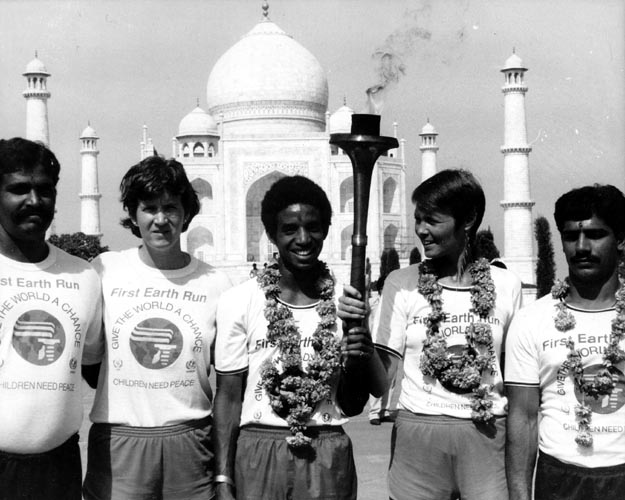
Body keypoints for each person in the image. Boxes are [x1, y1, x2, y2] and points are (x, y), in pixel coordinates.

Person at [339, 169, 522, 500]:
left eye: (432, 221)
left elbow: (513, 376)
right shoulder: (401, 282)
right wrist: (361, 335)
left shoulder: (505, 285)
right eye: (418, 219)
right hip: (419, 435)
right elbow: (382, 384)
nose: (421, 230)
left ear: (467, 220)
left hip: (485, 432)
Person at [213, 175, 381, 500]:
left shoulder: (344, 301)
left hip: (326, 446)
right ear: (271, 235)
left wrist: (359, 346)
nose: (303, 239)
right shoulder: (241, 300)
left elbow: (355, 401)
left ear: (327, 229)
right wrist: (222, 476)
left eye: (313, 227)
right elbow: (229, 397)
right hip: (259, 447)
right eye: (290, 229)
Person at [82, 156, 232, 500]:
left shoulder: (214, 283)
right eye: (149, 208)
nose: (160, 219)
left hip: (191, 439)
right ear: (133, 215)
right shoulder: (106, 270)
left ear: (187, 214)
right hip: (120, 439)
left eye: (171, 207)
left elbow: (225, 377)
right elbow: (93, 363)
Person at [505, 184, 625, 500]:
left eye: (596, 234)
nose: (582, 247)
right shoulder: (532, 319)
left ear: (621, 239)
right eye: (571, 237)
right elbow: (524, 417)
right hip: (560, 478)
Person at [0, 137, 102, 500]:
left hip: (58, 468)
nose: (33, 201)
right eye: (18, 189)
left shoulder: (82, 276)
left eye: (44, 190)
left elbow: (94, 367)